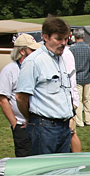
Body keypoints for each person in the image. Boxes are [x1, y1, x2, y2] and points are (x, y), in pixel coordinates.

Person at [15, 17, 75, 155]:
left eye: (66, 39)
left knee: (62, 170)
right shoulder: (34, 61)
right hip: (44, 127)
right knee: (45, 172)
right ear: (45, 37)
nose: (63, 43)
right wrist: (30, 118)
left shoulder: (61, 58)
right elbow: (20, 96)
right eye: (59, 39)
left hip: (64, 126)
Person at [0, 33, 38, 157]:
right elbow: (2, 99)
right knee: (25, 159)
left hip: (38, 124)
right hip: (21, 126)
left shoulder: (36, 68)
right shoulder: (9, 71)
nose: (36, 53)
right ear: (22, 52)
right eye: (32, 50)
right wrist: (15, 124)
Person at [68, 29, 90, 128]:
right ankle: (89, 119)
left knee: (78, 100)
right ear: (83, 36)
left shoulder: (71, 50)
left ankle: (79, 121)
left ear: (75, 37)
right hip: (87, 77)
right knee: (88, 99)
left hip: (76, 78)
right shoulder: (89, 48)